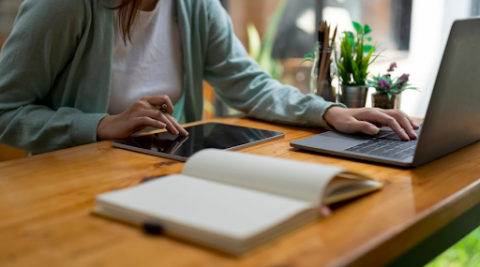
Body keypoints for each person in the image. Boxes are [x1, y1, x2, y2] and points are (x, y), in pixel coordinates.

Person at [0, 0, 419, 155]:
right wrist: (101, 125)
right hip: (71, 182)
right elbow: (6, 111)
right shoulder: (64, 7)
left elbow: (249, 83)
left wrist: (329, 112)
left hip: (159, 174)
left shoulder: (195, 7)